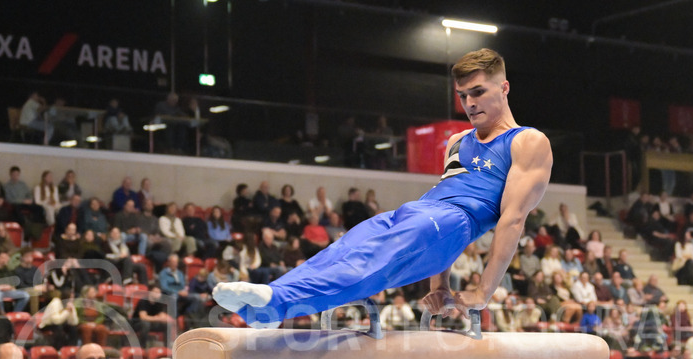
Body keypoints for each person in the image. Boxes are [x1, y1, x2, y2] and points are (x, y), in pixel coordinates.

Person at [213, 51, 553, 327]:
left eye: (478, 92)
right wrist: (440, 285)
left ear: (504, 88)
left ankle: (278, 305)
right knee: (342, 251)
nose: (469, 103)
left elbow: (512, 219)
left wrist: (483, 291)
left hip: (452, 221)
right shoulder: (457, 141)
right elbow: (444, 195)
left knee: (365, 270)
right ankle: (269, 303)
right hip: (417, 211)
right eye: (462, 95)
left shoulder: (526, 141)